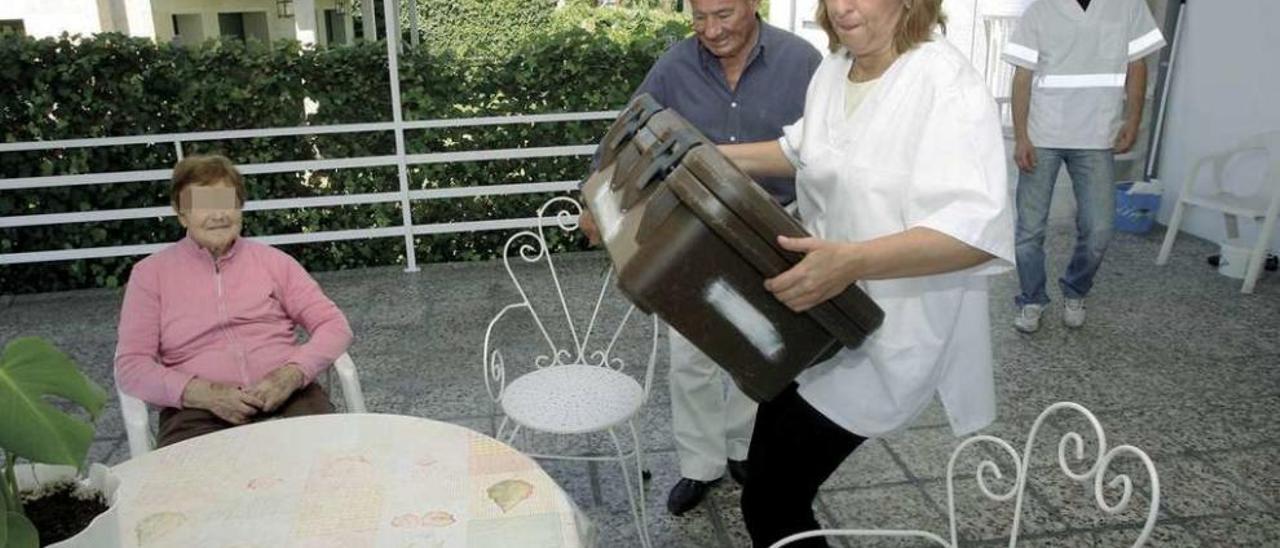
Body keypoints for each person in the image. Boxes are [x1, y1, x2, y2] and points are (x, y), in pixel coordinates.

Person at [718, 0, 1014, 545]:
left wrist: (853, 261)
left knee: (772, 499)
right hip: (821, 316)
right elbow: (806, 151)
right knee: (767, 480)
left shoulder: (945, 84)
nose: (842, 7)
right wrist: (711, 155)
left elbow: (975, 233)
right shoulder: (836, 68)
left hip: (891, 332)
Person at [581, 0, 822, 516]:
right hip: (693, 230)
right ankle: (699, 465)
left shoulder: (802, 61)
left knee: (758, 342)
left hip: (776, 227)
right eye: (699, 18)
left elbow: (829, 148)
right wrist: (592, 194)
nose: (711, 30)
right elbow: (629, 128)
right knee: (692, 353)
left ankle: (741, 450)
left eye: (724, 14)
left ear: (754, 5)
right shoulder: (674, 65)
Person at [115, 154, 353, 448]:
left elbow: (334, 326)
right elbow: (132, 366)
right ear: (181, 214)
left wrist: (291, 374)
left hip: (288, 394)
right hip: (196, 410)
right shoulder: (150, 276)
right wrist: (204, 393)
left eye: (225, 202)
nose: (217, 215)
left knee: (332, 465)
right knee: (194, 486)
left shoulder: (274, 262)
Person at [1004, 0, 1165, 333]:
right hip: (1042, 133)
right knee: (1029, 231)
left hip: (1096, 134)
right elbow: (1022, 77)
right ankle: (1031, 298)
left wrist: (1132, 121)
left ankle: (1076, 290)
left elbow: (1138, 66)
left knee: (1099, 229)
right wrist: (1021, 136)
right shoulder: (1040, 10)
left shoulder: (1128, 7)